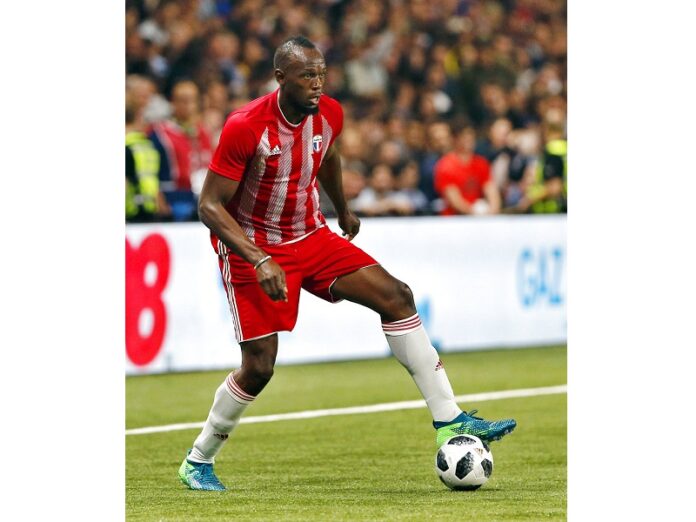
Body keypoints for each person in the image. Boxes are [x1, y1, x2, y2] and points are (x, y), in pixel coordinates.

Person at [178, 36, 516, 491]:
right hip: (255, 246)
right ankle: (198, 460)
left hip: (312, 234)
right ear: (281, 79)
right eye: (306, 76)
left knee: (397, 297)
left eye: (321, 74)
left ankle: (451, 421)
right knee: (259, 366)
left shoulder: (329, 113)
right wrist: (258, 259)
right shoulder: (246, 126)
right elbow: (209, 206)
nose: (317, 84)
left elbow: (329, 153)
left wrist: (342, 207)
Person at [149, 80, 213, 220]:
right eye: (183, 101)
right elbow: (150, 170)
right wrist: (157, 197)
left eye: (192, 100)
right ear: (173, 102)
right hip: (174, 199)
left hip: (204, 199)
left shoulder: (205, 132)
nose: (188, 105)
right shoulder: (160, 133)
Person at [433, 126, 502, 216]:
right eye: (464, 137)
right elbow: (453, 198)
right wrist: (473, 212)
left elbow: (491, 189)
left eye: (470, 136)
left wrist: (493, 211)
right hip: (454, 218)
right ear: (455, 139)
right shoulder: (446, 165)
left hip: (478, 216)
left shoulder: (481, 163)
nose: (468, 140)